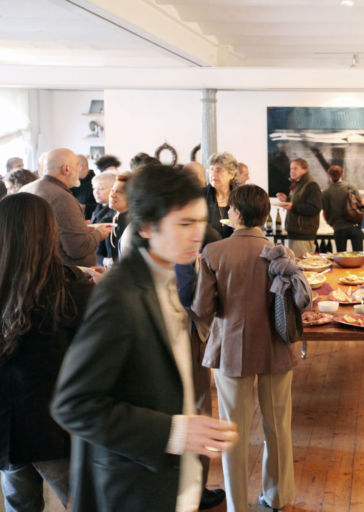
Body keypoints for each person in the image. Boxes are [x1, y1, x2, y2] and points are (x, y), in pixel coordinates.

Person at [52, 164, 238, 512]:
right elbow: (74, 405)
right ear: (149, 226)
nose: (198, 234)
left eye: (200, 221)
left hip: (168, 484)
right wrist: (174, 432)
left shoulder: (166, 278)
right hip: (130, 491)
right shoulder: (120, 295)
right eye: (184, 224)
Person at [193, 184, 297, 512]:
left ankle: (238, 503)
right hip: (275, 345)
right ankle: (278, 497)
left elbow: (203, 309)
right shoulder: (281, 252)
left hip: (231, 348)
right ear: (264, 215)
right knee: (277, 426)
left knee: (232, 431)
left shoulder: (214, 252)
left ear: (236, 213)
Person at [0, 193, 94, 512]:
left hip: (7, 428)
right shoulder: (72, 287)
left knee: (19, 505)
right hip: (55, 426)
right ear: (50, 231)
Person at [20, 148, 111, 266]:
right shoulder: (61, 197)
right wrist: (99, 233)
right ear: (66, 169)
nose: (79, 170)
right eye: (77, 165)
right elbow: (77, 248)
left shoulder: (28, 188)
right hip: (63, 274)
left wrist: (81, 228)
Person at [276, 158, 322, 258]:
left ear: (305, 169)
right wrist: (287, 199)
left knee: (302, 267)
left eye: (295, 168)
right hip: (296, 233)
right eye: (291, 168)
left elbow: (315, 208)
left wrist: (293, 207)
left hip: (303, 235)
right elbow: (299, 202)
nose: (292, 171)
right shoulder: (298, 184)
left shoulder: (311, 185)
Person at [321, 164, 364, 252]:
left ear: (329, 176)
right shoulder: (351, 187)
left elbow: (325, 213)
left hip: (338, 228)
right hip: (355, 226)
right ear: (342, 174)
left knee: (341, 257)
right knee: (359, 255)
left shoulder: (326, 192)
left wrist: (332, 225)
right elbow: (362, 205)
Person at [204, 152, 238, 239]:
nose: (213, 174)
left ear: (231, 174)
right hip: (207, 250)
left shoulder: (241, 196)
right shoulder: (201, 196)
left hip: (235, 248)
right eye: (211, 169)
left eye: (219, 170)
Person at [103, 172, 131, 267]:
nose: (112, 195)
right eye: (112, 190)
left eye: (118, 192)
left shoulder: (133, 224)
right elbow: (98, 253)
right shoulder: (107, 218)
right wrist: (105, 261)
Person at [70, 154, 97, 219]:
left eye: (71, 167)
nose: (70, 171)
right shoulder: (72, 184)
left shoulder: (96, 184)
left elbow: (104, 206)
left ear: (80, 167)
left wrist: (85, 207)